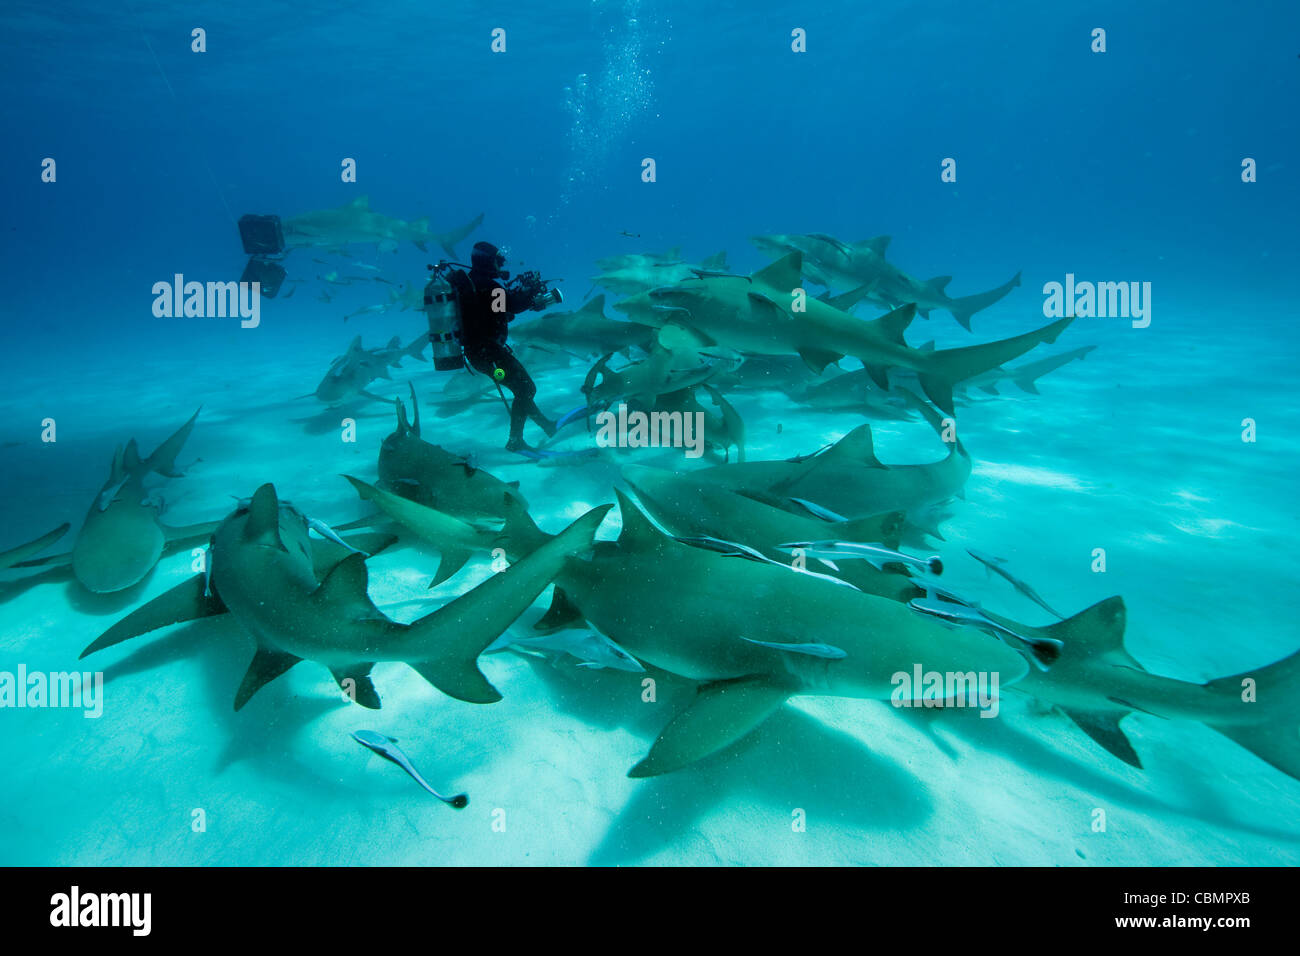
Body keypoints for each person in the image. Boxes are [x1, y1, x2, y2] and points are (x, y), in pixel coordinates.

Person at [447, 241, 557, 451]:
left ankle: (545, 426)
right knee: (526, 389)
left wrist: (519, 299)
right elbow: (509, 308)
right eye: (499, 262)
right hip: (489, 353)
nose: (500, 266)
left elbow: (500, 312)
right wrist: (530, 297)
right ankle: (515, 441)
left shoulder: (471, 284)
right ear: (489, 261)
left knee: (521, 389)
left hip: (479, 354)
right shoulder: (491, 286)